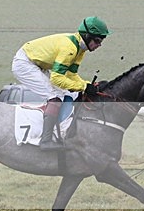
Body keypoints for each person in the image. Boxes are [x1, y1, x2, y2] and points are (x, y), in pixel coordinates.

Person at [11, 16, 109, 150]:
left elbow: (70, 74)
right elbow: (56, 78)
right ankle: (45, 141)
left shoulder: (80, 49)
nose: (99, 45)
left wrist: (86, 85)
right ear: (87, 36)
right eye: (97, 41)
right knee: (54, 98)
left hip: (37, 64)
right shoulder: (70, 48)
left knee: (66, 93)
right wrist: (84, 87)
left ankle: (59, 131)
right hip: (24, 64)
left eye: (101, 41)